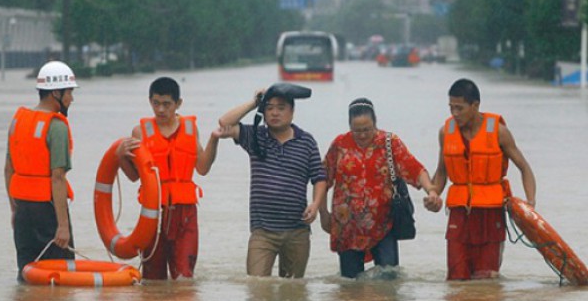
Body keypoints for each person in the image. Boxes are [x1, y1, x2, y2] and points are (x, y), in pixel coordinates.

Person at [424, 78, 536, 280]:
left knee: (486, 278)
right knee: (456, 277)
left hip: (490, 213)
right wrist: (433, 194)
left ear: (475, 105)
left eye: (460, 108)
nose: (454, 114)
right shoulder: (445, 132)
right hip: (459, 213)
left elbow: (525, 168)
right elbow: (442, 172)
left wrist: (530, 204)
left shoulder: (499, 132)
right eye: (451, 108)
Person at [319, 98, 439, 279]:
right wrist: (322, 213)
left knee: (388, 280)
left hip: (384, 224)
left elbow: (414, 168)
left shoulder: (390, 143)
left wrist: (431, 190)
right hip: (348, 228)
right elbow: (322, 179)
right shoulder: (340, 145)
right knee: (350, 285)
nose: (362, 135)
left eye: (367, 129)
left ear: (375, 123)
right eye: (356, 130)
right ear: (349, 126)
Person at [217, 83, 327, 278]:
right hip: (263, 231)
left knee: (293, 291)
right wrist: (254, 102)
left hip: (297, 230)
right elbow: (224, 122)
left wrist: (316, 205)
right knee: (257, 286)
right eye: (269, 108)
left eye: (281, 108)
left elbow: (319, 177)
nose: (275, 113)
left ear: (292, 112)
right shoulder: (256, 136)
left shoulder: (306, 141)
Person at [116, 77, 220, 280]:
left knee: (184, 276)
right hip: (153, 213)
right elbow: (133, 177)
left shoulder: (190, 129)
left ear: (178, 104)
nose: (161, 110)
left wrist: (214, 140)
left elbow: (203, 168)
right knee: (152, 279)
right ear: (150, 101)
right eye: (156, 103)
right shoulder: (140, 133)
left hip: (185, 213)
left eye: (166, 104)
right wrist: (120, 156)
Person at [4, 61, 78, 281]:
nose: (71, 99)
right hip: (48, 212)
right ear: (56, 92)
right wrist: (63, 226)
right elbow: (58, 178)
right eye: (69, 93)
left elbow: (8, 169)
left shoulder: (17, 121)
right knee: (61, 276)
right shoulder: (57, 127)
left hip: (22, 212)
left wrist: (14, 210)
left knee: (27, 274)